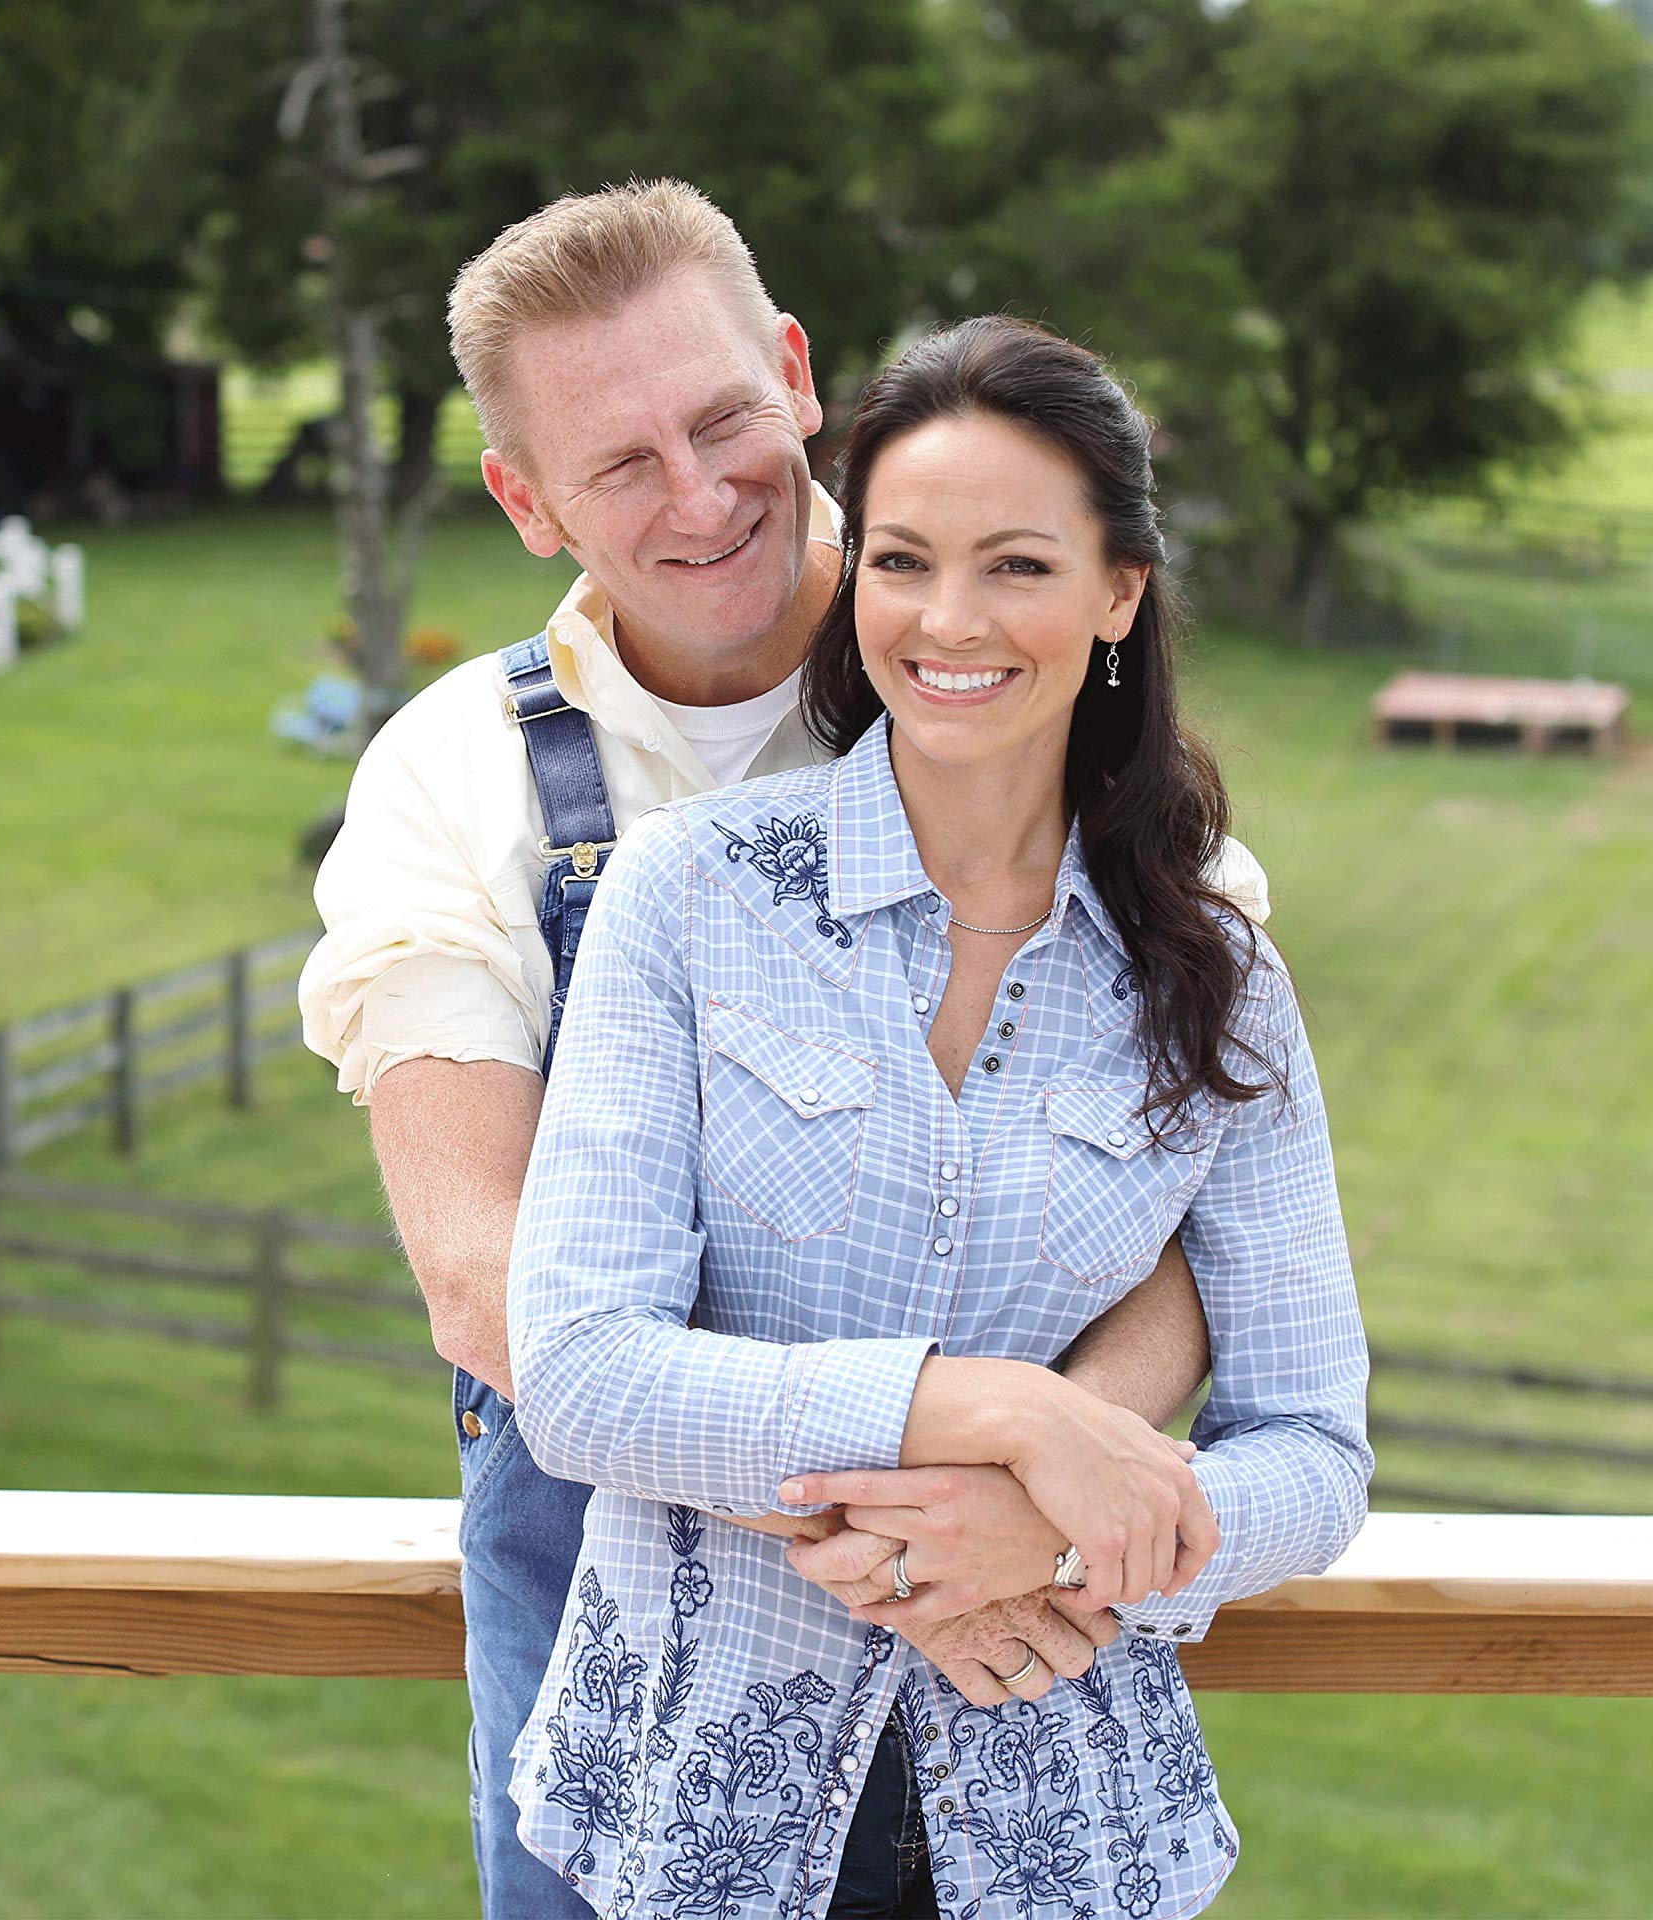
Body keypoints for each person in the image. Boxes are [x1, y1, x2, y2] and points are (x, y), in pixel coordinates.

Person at [296, 182, 1270, 1919]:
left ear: (800, 372)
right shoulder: (462, 779)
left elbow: (1212, 1215)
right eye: (617, 464)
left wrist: (1049, 1500)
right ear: (524, 502)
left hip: (1027, 1646)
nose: (702, 495)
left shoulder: (1039, 696)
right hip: (633, 1648)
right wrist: (922, 1513)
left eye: (725, 416)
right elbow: (487, 1285)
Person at [503, 315, 1372, 1918]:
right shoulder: (685, 899)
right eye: (902, 560)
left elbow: (1316, 1454)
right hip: (694, 1826)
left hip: (1069, 1836)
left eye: (1019, 566)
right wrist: (1004, 1417)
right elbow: (579, 1375)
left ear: (1119, 595)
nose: (949, 620)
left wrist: (1049, 1541)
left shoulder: (1218, 977)